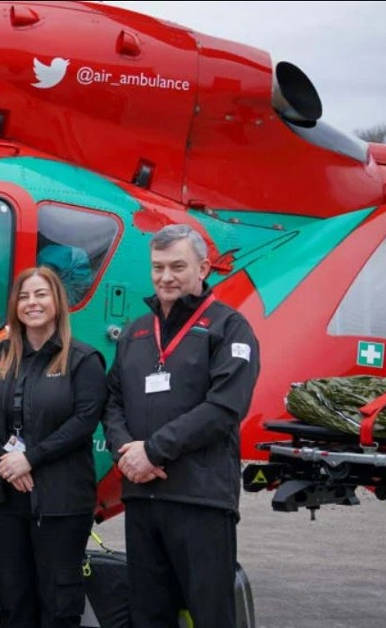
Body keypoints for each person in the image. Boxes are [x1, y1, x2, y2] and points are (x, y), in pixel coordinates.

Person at [104, 224, 260, 628]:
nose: (166, 277)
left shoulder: (230, 328)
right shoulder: (136, 332)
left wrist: (153, 451)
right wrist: (127, 453)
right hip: (142, 497)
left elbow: (224, 408)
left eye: (177, 266)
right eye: (158, 267)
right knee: (148, 615)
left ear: (203, 267)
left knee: (210, 614)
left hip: (200, 500)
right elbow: (112, 402)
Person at [0, 266, 107, 628]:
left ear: (58, 302)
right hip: (3, 498)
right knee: (12, 601)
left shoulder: (83, 360)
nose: (33, 303)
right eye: (25, 296)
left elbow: (84, 421)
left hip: (61, 501)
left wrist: (29, 459)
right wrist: (6, 462)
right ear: (15, 305)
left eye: (41, 294)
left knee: (59, 602)